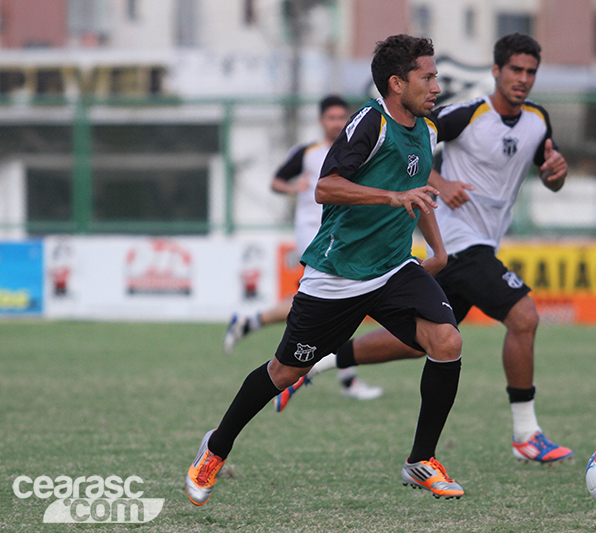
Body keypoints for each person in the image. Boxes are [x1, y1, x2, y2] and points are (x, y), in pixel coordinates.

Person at [186, 34, 465, 506]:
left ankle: (422, 460)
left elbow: (419, 192)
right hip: (338, 273)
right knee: (284, 371)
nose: (436, 85)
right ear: (397, 83)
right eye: (428, 77)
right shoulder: (368, 124)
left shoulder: (427, 128)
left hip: (394, 266)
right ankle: (214, 448)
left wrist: (436, 251)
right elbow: (326, 187)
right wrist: (391, 197)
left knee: (445, 341)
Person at [276, 33, 573, 465]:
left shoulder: (538, 121)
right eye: (515, 70)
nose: (523, 79)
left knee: (426, 343)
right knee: (524, 316)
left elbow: (552, 176)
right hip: (457, 239)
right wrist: (442, 183)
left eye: (531, 72)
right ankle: (527, 434)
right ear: (496, 71)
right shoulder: (465, 115)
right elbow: (411, 148)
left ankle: (313, 367)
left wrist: (555, 175)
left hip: (476, 245)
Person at [223, 95, 383, 402]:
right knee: (339, 303)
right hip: (315, 238)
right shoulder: (308, 153)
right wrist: (292, 188)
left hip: (342, 237)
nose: (337, 122)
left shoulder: (357, 149)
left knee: (318, 304)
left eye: (341, 117)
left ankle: (249, 323)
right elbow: (276, 181)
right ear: (322, 121)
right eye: (331, 118)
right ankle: (344, 378)